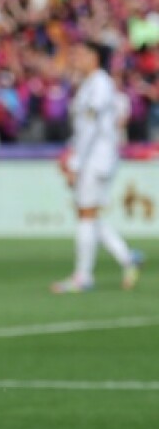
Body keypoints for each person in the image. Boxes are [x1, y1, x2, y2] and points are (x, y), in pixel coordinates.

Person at [51, 41, 142, 293]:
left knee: (86, 214)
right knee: (88, 215)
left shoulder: (99, 85)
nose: (76, 58)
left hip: (96, 159)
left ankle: (83, 276)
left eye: (81, 53)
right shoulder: (90, 85)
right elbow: (83, 129)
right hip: (92, 157)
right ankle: (127, 257)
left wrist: (75, 163)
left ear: (95, 57)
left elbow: (91, 129)